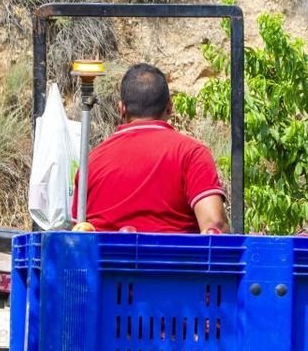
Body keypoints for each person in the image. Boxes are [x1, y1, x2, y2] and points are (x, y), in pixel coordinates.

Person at [75, 63, 229, 233]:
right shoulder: (191, 153)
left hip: (107, 259)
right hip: (176, 259)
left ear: (121, 109)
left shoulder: (91, 161)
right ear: (169, 107)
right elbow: (215, 225)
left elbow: (77, 232)